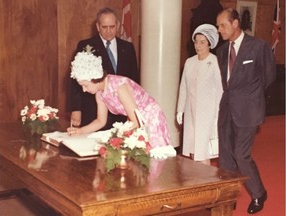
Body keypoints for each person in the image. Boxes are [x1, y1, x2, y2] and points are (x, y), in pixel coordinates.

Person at [216, 8, 276, 214]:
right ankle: (229, 196)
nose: (219, 30)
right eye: (218, 26)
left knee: (241, 155)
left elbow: (269, 77)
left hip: (248, 110)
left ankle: (259, 194)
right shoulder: (222, 51)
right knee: (225, 157)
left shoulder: (259, 47)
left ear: (235, 23)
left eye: (222, 25)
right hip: (226, 109)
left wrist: (252, 98)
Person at [67, 51, 171, 148]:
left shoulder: (119, 87)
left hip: (150, 118)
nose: (84, 90)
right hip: (135, 121)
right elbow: (100, 121)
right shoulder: (99, 94)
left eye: (85, 85)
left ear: (95, 78)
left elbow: (137, 121)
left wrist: (115, 137)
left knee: (155, 155)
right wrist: (81, 131)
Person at [70, 7, 139, 128]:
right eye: (104, 27)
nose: (108, 31)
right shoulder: (85, 45)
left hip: (122, 110)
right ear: (97, 26)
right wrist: (76, 109)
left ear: (117, 25)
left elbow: (134, 79)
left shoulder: (128, 47)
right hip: (94, 110)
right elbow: (76, 81)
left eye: (112, 27)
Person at [176, 24, 223, 165]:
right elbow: (183, 87)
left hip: (207, 114)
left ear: (210, 43)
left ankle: (206, 182)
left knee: (203, 150)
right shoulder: (190, 62)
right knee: (192, 149)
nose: (198, 45)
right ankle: (196, 181)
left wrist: (218, 114)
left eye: (202, 42)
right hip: (191, 112)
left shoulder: (214, 62)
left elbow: (220, 89)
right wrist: (180, 110)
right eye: (196, 41)